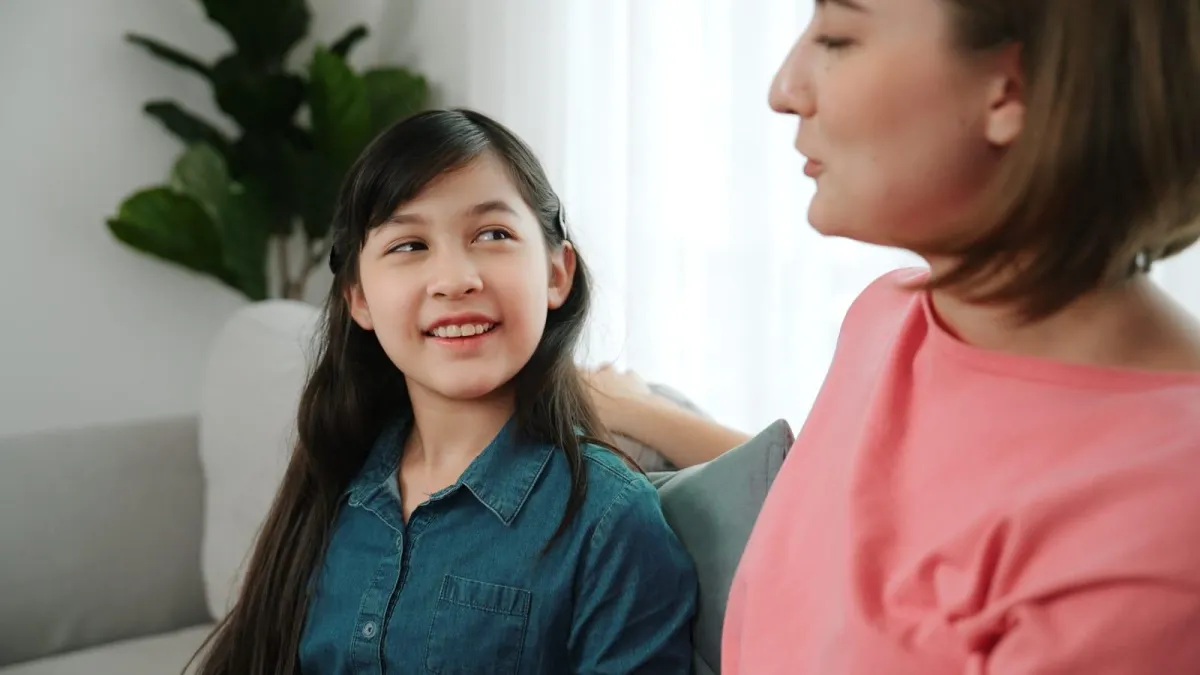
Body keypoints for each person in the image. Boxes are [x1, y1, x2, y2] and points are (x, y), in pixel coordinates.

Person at [588, 0, 1200, 672]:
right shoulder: (888, 317)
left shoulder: (1164, 511)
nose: (784, 89)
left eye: (838, 38)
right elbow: (855, 526)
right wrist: (644, 413)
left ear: (1014, 89)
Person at [189, 109, 697, 675]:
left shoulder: (610, 520)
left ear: (557, 273)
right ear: (358, 296)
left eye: (493, 235)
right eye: (409, 245)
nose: (455, 279)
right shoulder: (336, 482)